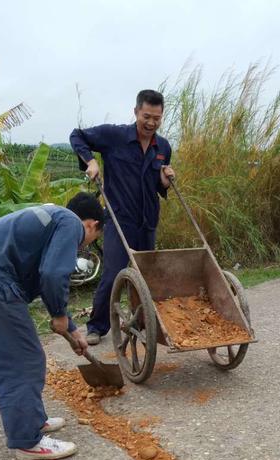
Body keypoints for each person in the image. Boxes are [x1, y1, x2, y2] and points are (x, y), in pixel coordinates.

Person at [0, 193, 105, 460]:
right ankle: (27, 442)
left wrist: (71, 328)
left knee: (21, 354)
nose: (87, 245)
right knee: (21, 359)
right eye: (95, 237)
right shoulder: (71, 223)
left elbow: (44, 275)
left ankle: (33, 422)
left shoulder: (54, 218)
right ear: (92, 225)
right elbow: (53, 274)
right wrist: (58, 315)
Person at [69, 89, 175, 345]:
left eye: (157, 118)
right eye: (146, 116)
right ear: (136, 111)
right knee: (114, 273)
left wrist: (165, 182)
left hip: (147, 221)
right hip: (119, 219)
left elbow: (159, 187)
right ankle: (96, 326)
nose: (151, 123)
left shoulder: (163, 147)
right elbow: (77, 136)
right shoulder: (114, 136)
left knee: (145, 275)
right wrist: (90, 161)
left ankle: (141, 322)